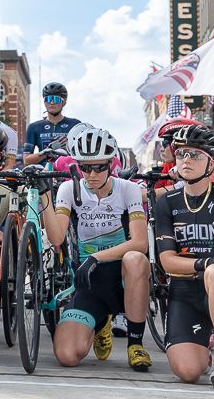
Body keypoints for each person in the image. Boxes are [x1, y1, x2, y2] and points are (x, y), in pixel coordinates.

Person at [40, 126, 151, 371]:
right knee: (67, 356)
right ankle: (101, 323)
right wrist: (45, 198)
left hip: (124, 279)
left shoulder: (128, 189)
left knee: (135, 259)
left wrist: (96, 257)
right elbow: (57, 237)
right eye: (85, 168)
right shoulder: (70, 189)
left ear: (111, 164)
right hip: (89, 283)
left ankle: (135, 344)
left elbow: (140, 242)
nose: (91, 174)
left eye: (99, 167)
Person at [153, 124, 214, 389]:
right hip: (185, 292)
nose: (186, 160)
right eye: (181, 154)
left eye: (195, 155)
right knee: (188, 372)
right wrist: (204, 262)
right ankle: (205, 343)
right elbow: (167, 261)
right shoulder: (167, 201)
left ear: (212, 161)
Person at [22, 82, 82, 165]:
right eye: (48, 99)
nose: (52, 102)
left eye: (56, 99)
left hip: (68, 174)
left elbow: (82, 156)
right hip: (44, 174)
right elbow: (26, 161)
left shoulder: (75, 125)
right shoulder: (34, 127)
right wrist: (48, 151)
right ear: (44, 102)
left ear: (64, 102)